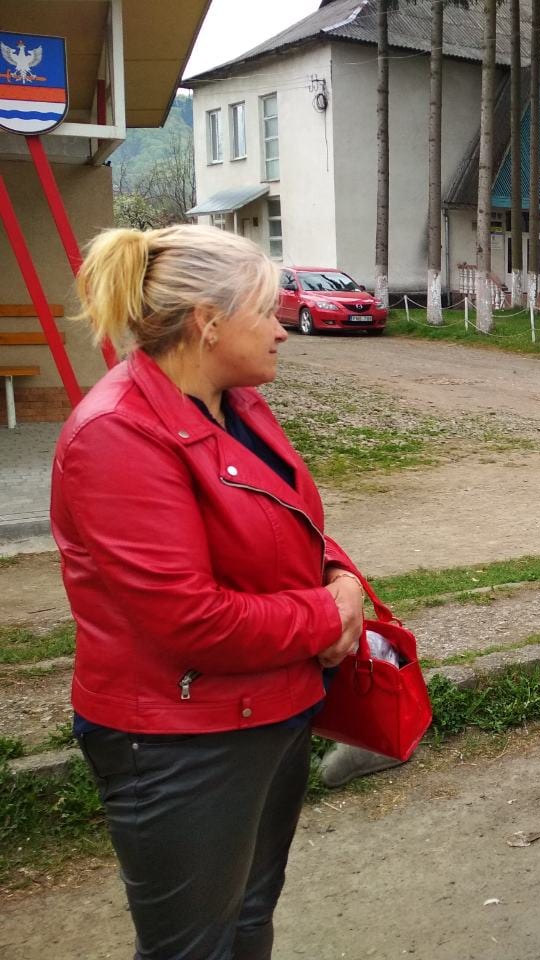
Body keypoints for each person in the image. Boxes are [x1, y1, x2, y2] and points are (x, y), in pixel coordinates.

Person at [53, 225, 365, 959]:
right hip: (179, 741)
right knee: (192, 946)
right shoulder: (116, 436)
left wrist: (340, 574)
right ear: (209, 321)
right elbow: (189, 620)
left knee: (251, 915)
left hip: (273, 711)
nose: (284, 325)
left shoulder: (236, 403)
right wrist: (328, 612)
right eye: (267, 308)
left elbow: (288, 517)